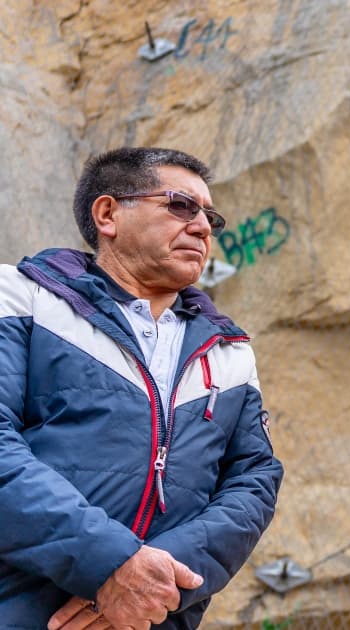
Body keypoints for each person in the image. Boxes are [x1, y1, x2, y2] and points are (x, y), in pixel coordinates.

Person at [0, 147, 283, 629]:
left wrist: (150, 585)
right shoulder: (21, 298)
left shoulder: (229, 351)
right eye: (180, 205)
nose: (202, 226)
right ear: (108, 213)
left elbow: (253, 483)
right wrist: (110, 566)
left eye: (210, 216)